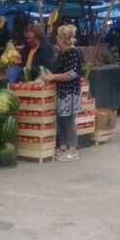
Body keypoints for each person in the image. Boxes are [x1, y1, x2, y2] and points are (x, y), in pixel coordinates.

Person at [42, 24, 84, 162]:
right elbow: (58, 70)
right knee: (61, 119)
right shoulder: (62, 52)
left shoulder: (72, 52)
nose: (56, 39)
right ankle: (63, 147)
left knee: (69, 120)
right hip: (62, 91)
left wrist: (53, 77)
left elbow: (71, 74)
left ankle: (73, 149)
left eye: (58, 37)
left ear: (63, 38)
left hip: (70, 92)